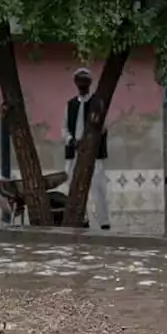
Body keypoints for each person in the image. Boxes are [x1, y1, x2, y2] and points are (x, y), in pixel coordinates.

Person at [63, 67, 111, 230]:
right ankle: (81, 220)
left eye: (85, 81)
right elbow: (64, 129)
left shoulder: (97, 103)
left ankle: (104, 223)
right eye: (79, 81)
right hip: (74, 152)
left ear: (90, 83)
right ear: (76, 83)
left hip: (93, 153)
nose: (82, 84)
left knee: (98, 188)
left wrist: (90, 141)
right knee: (72, 186)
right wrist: (72, 141)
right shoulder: (70, 104)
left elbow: (103, 127)